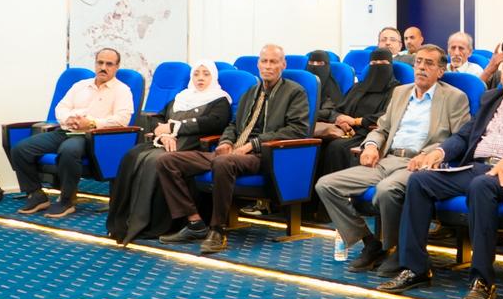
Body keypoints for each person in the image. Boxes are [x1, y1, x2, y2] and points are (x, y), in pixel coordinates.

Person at [377, 51, 503, 299]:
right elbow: (465, 136)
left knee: (480, 186)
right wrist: (439, 152)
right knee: (419, 180)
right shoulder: (490, 98)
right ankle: (415, 268)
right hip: (476, 168)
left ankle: (482, 281)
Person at [315, 44, 470, 276]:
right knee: (327, 185)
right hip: (387, 159)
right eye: (418, 62)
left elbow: (459, 138)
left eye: (429, 63)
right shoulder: (401, 93)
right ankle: (370, 243)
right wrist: (370, 145)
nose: (421, 67)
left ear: (441, 71)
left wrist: (430, 155)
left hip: (419, 163)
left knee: (387, 190)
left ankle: (396, 250)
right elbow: (382, 129)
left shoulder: (454, 98)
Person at [157, 45, 310, 254]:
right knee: (167, 161)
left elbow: (297, 130)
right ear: (258, 64)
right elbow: (233, 125)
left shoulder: (294, 92)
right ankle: (195, 223)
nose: (268, 66)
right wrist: (226, 142)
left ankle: (217, 230)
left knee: (223, 162)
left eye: (273, 62)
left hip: (264, 155)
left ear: (283, 65)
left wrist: (251, 145)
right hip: (233, 153)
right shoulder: (250, 93)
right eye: (264, 61)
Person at [106, 61, 231, 245]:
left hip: (191, 147)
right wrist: (164, 135)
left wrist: (173, 128)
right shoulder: (182, 97)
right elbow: (158, 118)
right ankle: (124, 221)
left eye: (206, 74)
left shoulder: (220, 100)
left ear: (214, 78)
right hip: (165, 143)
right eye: (196, 74)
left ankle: (150, 224)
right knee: (131, 156)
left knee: (155, 162)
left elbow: (214, 123)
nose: (200, 78)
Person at [12, 48, 135, 218]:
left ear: (117, 67)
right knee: (20, 149)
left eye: (109, 64)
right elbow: (61, 108)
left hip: (93, 137)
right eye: (100, 63)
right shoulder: (80, 85)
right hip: (66, 130)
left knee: (69, 150)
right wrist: (68, 119)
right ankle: (36, 194)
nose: (103, 67)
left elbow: (122, 119)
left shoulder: (122, 90)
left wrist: (91, 122)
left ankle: (66, 200)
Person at [314, 48, 399, 177]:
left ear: (390, 65)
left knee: (337, 147)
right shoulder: (358, 87)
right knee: (320, 143)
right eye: (373, 63)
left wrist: (355, 121)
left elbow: (387, 116)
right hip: (345, 130)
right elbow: (337, 109)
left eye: (382, 63)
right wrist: (340, 119)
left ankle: (337, 186)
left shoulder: (395, 90)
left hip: (368, 133)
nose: (377, 66)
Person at [305, 49, 344, 122]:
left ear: (327, 66)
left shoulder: (331, 87)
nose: (314, 66)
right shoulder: (302, 83)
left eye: (320, 63)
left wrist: (304, 114)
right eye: (311, 63)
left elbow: (328, 112)